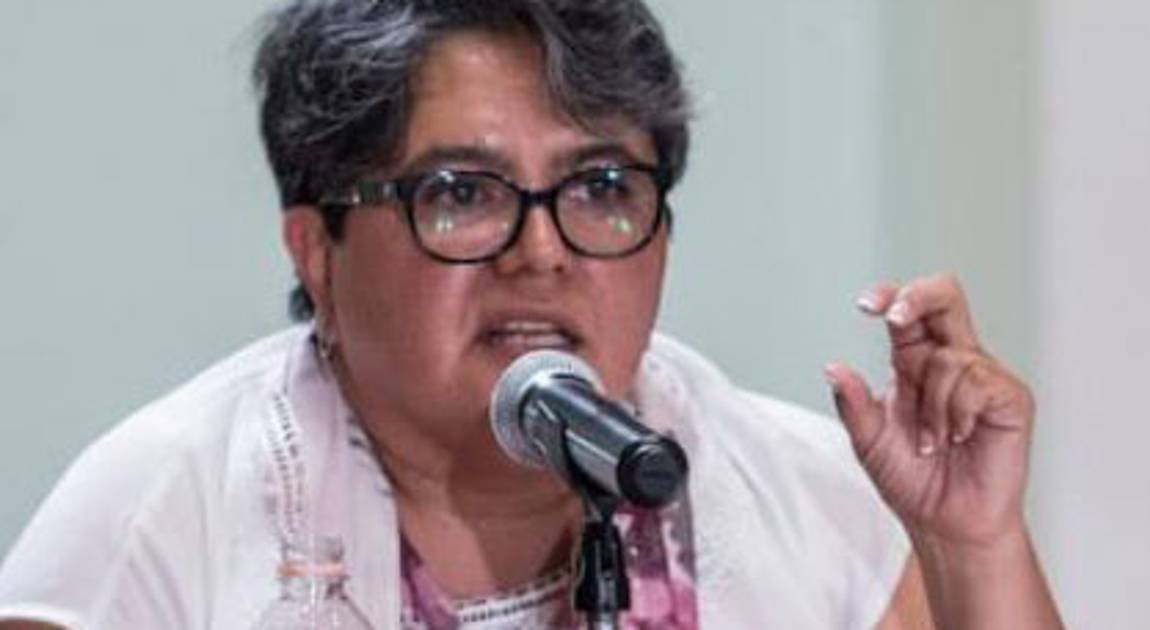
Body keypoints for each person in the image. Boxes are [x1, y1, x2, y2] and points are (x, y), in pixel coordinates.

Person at [0, 1, 1063, 628]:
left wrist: (971, 545)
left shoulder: (792, 495)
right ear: (317, 250)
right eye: (461, 193)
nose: (542, 250)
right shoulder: (165, 510)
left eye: (601, 187)